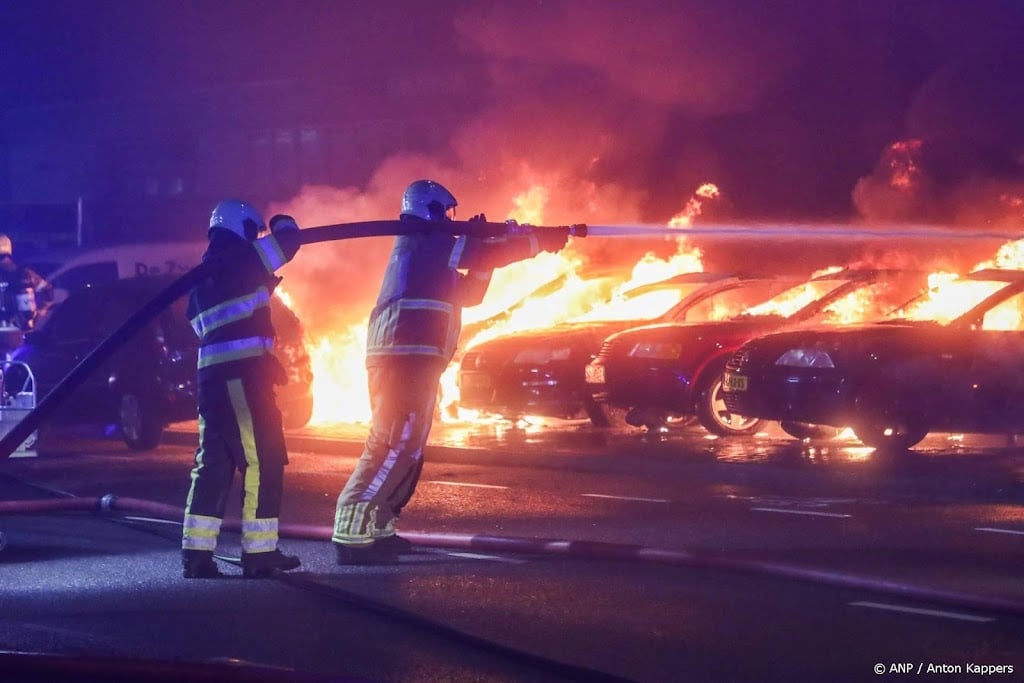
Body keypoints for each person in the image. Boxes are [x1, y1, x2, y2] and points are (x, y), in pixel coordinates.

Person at [332, 179, 572, 564]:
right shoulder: (423, 240)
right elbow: (486, 253)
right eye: (445, 212)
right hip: (403, 359)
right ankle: (352, 530)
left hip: (416, 360)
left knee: (409, 446)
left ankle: (378, 526)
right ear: (429, 210)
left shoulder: (434, 249)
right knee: (394, 443)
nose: (449, 218)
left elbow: (470, 293)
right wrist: (537, 240)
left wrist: (485, 246)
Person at [181, 198, 304, 579]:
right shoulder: (242, 258)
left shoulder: (203, 276)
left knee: (214, 464)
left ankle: (196, 554)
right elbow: (289, 240)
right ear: (243, 228)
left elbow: (227, 328)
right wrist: (280, 222)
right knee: (263, 458)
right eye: (255, 230)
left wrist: (266, 358)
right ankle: (260, 553)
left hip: (213, 381)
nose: (257, 236)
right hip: (242, 381)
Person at [0, 233, 52, 331]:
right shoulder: (27, 274)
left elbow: (47, 289)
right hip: (19, 329)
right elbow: (47, 289)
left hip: (15, 329)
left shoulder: (25, 274)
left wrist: (43, 309)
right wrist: (43, 309)